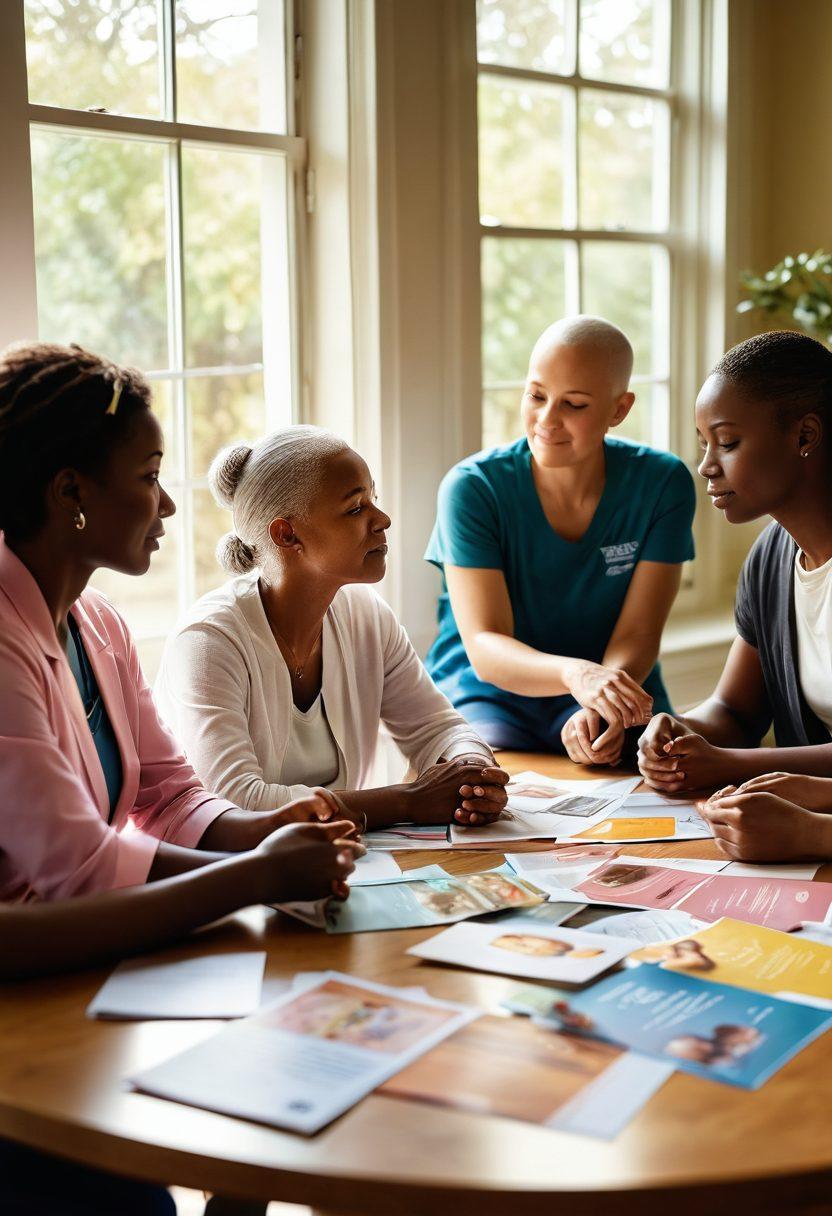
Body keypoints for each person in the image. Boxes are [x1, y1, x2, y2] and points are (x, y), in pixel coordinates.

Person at [0, 342, 357, 901]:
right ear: (71, 491)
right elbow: (81, 870)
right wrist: (259, 874)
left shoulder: (100, 624)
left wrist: (272, 826)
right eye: (149, 477)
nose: (166, 504)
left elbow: (168, 797)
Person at [154, 428, 510, 830]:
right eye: (356, 508)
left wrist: (473, 774)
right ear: (287, 535)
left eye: (372, 498)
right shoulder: (208, 642)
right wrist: (407, 802)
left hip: (337, 864)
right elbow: (236, 801)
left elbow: (437, 728)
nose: (383, 519)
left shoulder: (367, 616)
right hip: (229, 879)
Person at [423, 315, 696, 765]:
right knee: (483, 786)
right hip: (489, 693)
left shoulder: (662, 483)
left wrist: (602, 701)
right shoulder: (473, 488)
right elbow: (487, 645)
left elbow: (640, 631)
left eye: (575, 404)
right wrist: (578, 676)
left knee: (658, 783)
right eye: (536, 395)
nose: (547, 420)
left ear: (619, 409)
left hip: (612, 683)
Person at [636, 331, 832, 861]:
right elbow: (735, 710)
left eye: (727, 441)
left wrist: (727, 765)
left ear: (804, 435)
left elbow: (736, 748)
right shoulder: (770, 559)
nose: (706, 465)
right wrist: (677, 733)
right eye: (704, 443)